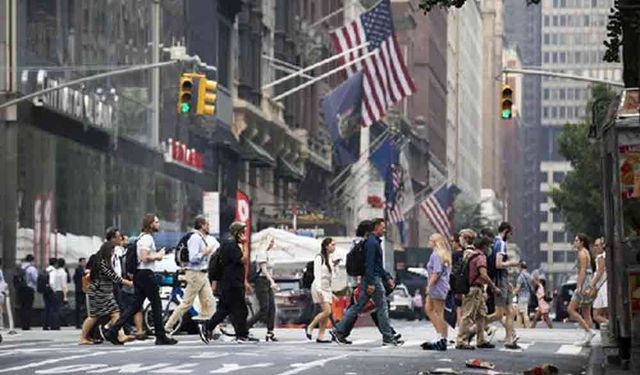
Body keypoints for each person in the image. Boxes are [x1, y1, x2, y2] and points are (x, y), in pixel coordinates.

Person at [102, 214, 177, 345]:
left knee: (135, 306)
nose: (159, 224)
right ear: (150, 224)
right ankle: (161, 336)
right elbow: (144, 257)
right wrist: (158, 256)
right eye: (156, 222)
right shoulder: (147, 238)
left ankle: (113, 330)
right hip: (146, 274)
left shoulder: (142, 237)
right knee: (156, 304)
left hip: (140, 274)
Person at [331, 218, 402, 346]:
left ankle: (338, 331)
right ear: (376, 228)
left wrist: (387, 278)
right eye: (382, 227)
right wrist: (370, 283)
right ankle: (388, 337)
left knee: (358, 307)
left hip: (372, 278)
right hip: (372, 279)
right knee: (382, 308)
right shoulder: (371, 243)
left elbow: (377, 265)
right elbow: (369, 264)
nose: (384, 230)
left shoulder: (373, 242)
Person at [200, 221, 258, 344]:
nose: (244, 235)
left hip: (231, 283)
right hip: (232, 284)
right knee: (240, 310)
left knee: (225, 309)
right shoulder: (231, 246)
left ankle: (209, 327)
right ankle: (241, 334)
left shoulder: (228, 245)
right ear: (236, 233)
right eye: (242, 232)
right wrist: (245, 245)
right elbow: (243, 260)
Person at [164, 216, 217, 335]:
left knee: (209, 302)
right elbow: (193, 258)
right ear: (202, 225)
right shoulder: (195, 238)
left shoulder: (201, 238)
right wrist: (205, 252)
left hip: (202, 274)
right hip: (194, 274)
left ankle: (208, 329)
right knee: (186, 304)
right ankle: (167, 326)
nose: (209, 227)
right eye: (207, 225)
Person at [80, 242, 133, 345]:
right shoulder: (102, 263)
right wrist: (129, 283)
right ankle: (82, 337)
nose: (113, 253)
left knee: (115, 313)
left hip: (106, 293)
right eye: (112, 251)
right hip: (97, 293)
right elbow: (114, 277)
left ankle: (121, 335)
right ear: (107, 251)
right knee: (93, 316)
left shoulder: (105, 262)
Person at [455, 230, 501, 350]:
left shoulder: (471, 254)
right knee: (468, 315)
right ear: (484, 246)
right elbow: (484, 275)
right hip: (474, 289)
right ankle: (461, 340)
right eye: (489, 246)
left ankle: (481, 340)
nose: (490, 248)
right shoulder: (480, 257)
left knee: (481, 315)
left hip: (476, 289)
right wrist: (494, 287)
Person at [485, 223, 521, 349]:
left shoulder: (495, 242)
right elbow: (498, 264)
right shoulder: (500, 243)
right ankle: (474, 327)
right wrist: (512, 263)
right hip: (500, 281)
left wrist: (507, 281)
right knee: (499, 314)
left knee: (510, 312)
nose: (510, 237)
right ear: (506, 231)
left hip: (503, 280)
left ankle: (509, 338)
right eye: (510, 233)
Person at [421, 233, 452, 351]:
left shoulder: (436, 255)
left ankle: (441, 337)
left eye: (430, 240)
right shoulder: (442, 254)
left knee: (439, 312)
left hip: (437, 286)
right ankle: (441, 336)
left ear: (435, 242)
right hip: (441, 285)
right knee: (428, 309)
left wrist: (429, 285)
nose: (428, 242)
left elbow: (436, 272)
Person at [247, 236, 279, 341]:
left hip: (267, 281)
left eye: (273, 242)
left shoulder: (268, 253)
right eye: (270, 242)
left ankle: (270, 332)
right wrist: (272, 282)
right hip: (261, 281)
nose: (272, 244)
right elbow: (264, 270)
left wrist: (272, 281)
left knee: (272, 308)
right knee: (264, 308)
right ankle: (246, 326)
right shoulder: (261, 253)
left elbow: (269, 271)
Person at [306, 238, 337, 343]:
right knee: (327, 311)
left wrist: (335, 266)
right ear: (326, 246)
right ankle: (310, 326)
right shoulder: (319, 257)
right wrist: (319, 289)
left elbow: (333, 276)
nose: (334, 247)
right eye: (332, 245)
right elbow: (317, 274)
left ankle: (321, 336)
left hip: (327, 288)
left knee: (327, 313)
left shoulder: (330, 258)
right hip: (319, 287)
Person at [569, 233, 597, 346]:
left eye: (576, 240)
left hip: (584, 283)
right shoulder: (586, 252)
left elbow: (583, 271)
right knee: (586, 311)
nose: (575, 242)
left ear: (582, 242)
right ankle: (587, 338)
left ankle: (589, 331)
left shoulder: (582, 253)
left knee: (571, 309)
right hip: (588, 282)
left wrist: (579, 286)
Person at [16, 255, 38, 330]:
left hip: (20, 289)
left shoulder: (21, 267)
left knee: (22, 307)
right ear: (32, 260)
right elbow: (35, 279)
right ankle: (27, 325)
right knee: (28, 307)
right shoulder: (31, 268)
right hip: (29, 289)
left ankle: (22, 324)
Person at [590, 238, 608, 326]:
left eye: (597, 245)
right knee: (599, 314)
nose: (595, 247)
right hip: (601, 287)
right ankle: (609, 329)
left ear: (603, 246)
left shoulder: (601, 257)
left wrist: (592, 283)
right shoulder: (603, 256)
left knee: (596, 315)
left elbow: (600, 272)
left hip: (603, 288)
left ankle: (612, 327)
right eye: (594, 245)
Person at [49, 258, 68, 330]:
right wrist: (65, 296)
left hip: (55, 291)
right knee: (58, 309)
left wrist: (54, 289)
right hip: (60, 291)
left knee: (54, 309)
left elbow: (52, 282)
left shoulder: (55, 272)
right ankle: (57, 325)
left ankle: (53, 324)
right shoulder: (63, 273)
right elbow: (64, 285)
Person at [513, 261, 532, 328]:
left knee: (523, 313)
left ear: (520, 267)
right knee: (519, 312)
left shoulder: (521, 276)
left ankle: (527, 328)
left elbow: (518, 288)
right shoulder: (529, 275)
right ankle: (520, 328)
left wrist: (512, 295)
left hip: (522, 296)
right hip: (527, 296)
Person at [42, 257, 57, 330]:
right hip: (50, 291)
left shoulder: (46, 269)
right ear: (55, 263)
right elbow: (51, 282)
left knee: (47, 308)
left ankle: (45, 324)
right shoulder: (53, 271)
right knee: (52, 308)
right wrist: (54, 290)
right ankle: (52, 324)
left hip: (45, 290)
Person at [73, 258, 87, 328]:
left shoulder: (84, 269)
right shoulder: (78, 269)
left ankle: (82, 322)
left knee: (84, 308)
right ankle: (78, 323)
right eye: (83, 262)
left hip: (83, 290)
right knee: (78, 307)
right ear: (80, 262)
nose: (85, 263)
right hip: (79, 291)